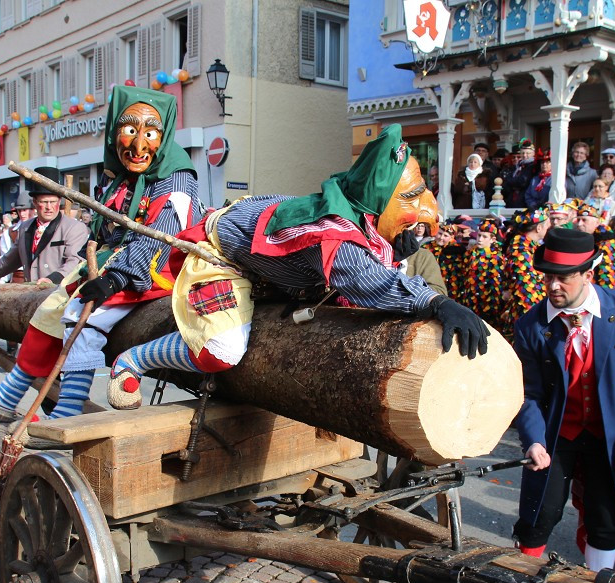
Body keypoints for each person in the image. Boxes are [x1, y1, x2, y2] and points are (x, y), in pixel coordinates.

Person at [102, 124, 490, 410]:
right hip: (221, 253)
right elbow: (364, 279)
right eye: (410, 196)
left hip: (273, 271)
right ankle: (133, 358)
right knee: (222, 350)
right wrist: (436, 303)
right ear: (379, 198)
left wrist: (392, 246)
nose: (424, 207)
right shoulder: (332, 231)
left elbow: (367, 257)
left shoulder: (356, 209)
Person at [0, 86, 201, 428]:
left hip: (151, 269)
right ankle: (10, 393)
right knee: (51, 308)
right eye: (130, 131)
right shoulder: (118, 174)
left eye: (150, 133)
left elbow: (163, 236)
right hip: (108, 261)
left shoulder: (175, 175)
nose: (139, 145)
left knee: (83, 318)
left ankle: (69, 409)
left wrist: (117, 277)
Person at [489, 227, 615, 583]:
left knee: (605, 520)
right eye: (547, 275)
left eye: (563, 277)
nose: (552, 286)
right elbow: (528, 393)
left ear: (589, 273)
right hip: (556, 434)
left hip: (611, 436)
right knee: (538, 514)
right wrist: (532, 441)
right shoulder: (531, 324)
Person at [0, 169, 86, 287]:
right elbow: (10, 260)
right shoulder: (25, 228)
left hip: (60, 294)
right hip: (31, 294)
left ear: (59, 201)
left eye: (53, 202)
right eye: (44, 202)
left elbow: (75, 261)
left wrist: (53, 279)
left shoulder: (74, 228)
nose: (49, 207)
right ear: (35, 202)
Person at [501, 207, 551, 334]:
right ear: (539, 228)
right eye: (546, 226)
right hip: (527, 319)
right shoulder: (522, 250)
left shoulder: (529, 247)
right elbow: (526, 290)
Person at [461, 217, 504, 329]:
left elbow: (496, 285)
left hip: (486, 304)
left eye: (484, 237)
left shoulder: (496, 258)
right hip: (469, 302)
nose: (480, 239)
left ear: (492, 239)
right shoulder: (470, 253)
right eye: (479, 235)